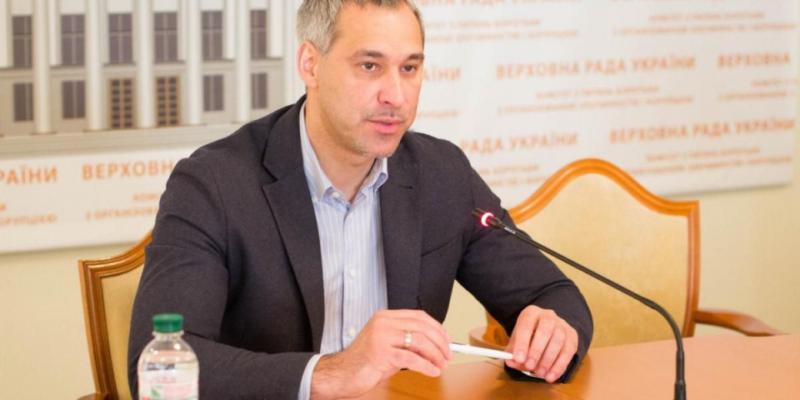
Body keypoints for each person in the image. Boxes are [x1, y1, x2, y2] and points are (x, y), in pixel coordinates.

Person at [128, 1, 593, 399]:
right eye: (370, 66)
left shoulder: (442, 174)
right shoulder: (214, 184)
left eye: (409, 68)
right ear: (310, 64)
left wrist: (552, 333)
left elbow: (554, 296)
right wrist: (330, 374)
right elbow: (159, 364)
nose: (395, 95)